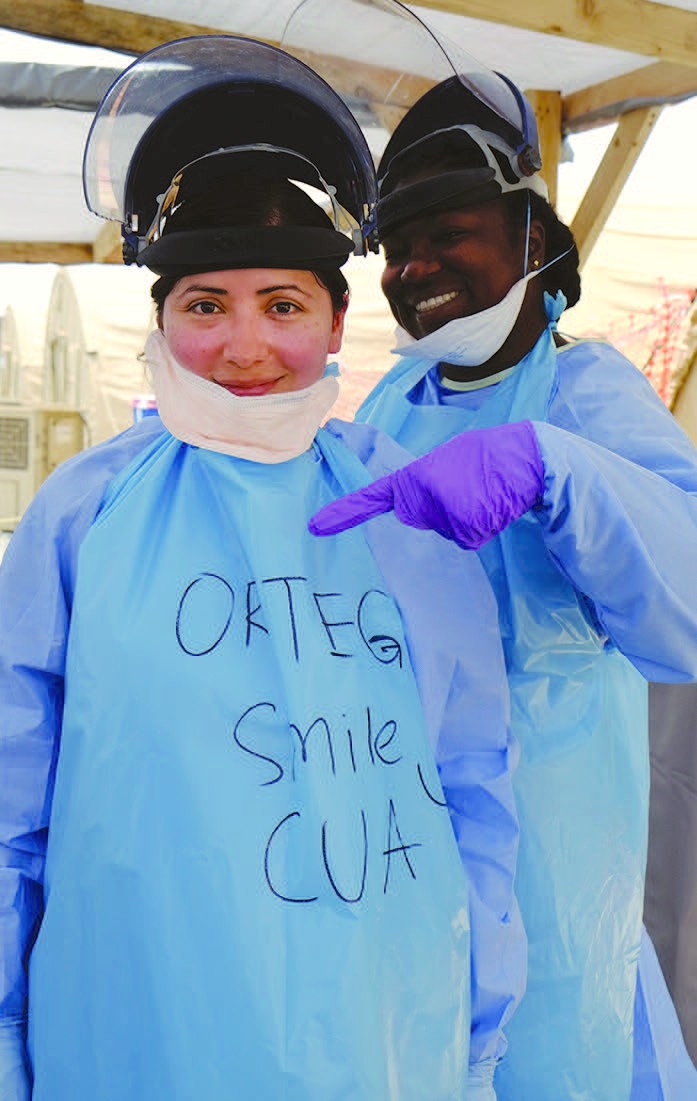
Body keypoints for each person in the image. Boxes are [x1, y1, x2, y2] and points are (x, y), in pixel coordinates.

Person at [0, 35, 525, 1101]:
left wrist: (474, 1048)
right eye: (206, 305)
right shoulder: (83, 516)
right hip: (133, 1033)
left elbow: (473, 789)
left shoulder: (409, 511)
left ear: (335, 322)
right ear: (158, 321)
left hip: (381, 1039)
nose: (244, 345)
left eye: (282, 305)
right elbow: (11, 815)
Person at [309, 61, 697, 1101]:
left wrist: (552, 469)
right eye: (397, 248)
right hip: (405, 833)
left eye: (450, 234)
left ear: (531, 241)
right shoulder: (394, 392)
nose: (415, 267)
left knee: (552, 1061)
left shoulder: (588, 391)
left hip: (553, 856)